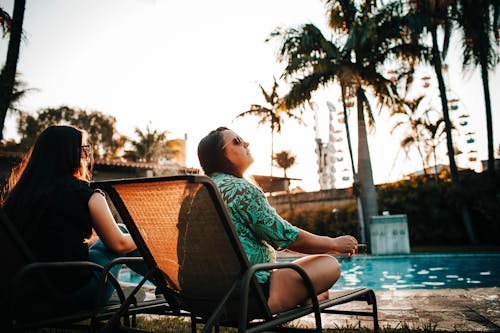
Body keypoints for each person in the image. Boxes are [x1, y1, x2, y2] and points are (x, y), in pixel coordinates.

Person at [197, 126, 359, 314]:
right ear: (219, 155)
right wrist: (333, 243)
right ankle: (278, 302)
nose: (246, 143)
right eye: (237, 142)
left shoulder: (196, 192)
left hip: (201, 296)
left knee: (303, 273)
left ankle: (298, 293)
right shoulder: (241, 190)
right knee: (328, 264)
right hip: (246, 295)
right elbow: (287, 237)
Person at [1, 125, 145, 311]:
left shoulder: (20, 196)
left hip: (30, 292)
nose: (86, 157)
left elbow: (49, 243)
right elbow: (119, 245)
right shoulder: (85, 194)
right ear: (71, 154)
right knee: (123, 234)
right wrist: (143, 236)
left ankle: (168, 286)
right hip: (73, 295)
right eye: (84, 150)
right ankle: (171, 287)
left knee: (111, 236)